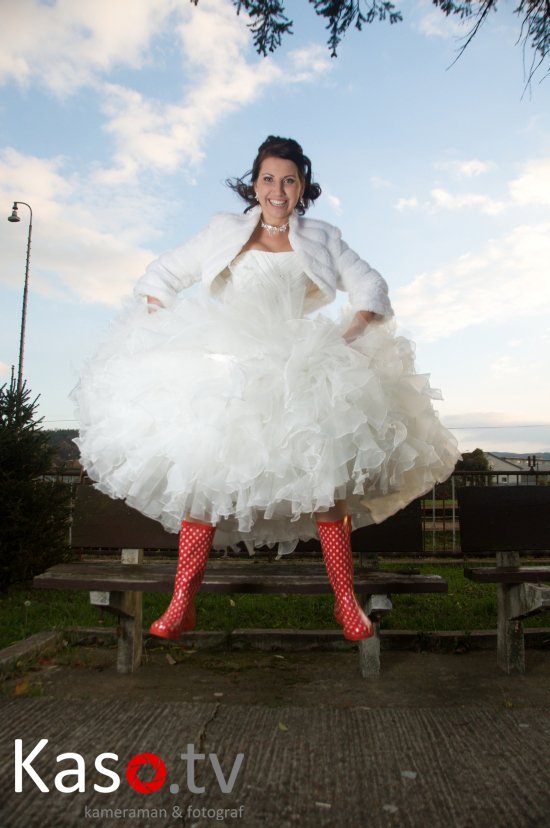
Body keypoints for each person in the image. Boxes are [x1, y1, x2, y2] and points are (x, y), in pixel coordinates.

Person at [73, 135, 460, 644]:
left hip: (299, 364)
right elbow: (162, 275)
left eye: (289, 180)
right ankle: (182, 601)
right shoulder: (223, 231)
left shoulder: (322, 237)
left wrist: (350, 333)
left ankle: (345, 601)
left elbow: (371, 286)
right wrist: (160, 328)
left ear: (302, 187)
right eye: (268, 179)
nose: (278, 190)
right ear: (254, 184)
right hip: (229, 367)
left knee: (325, 481)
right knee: (204, 474)